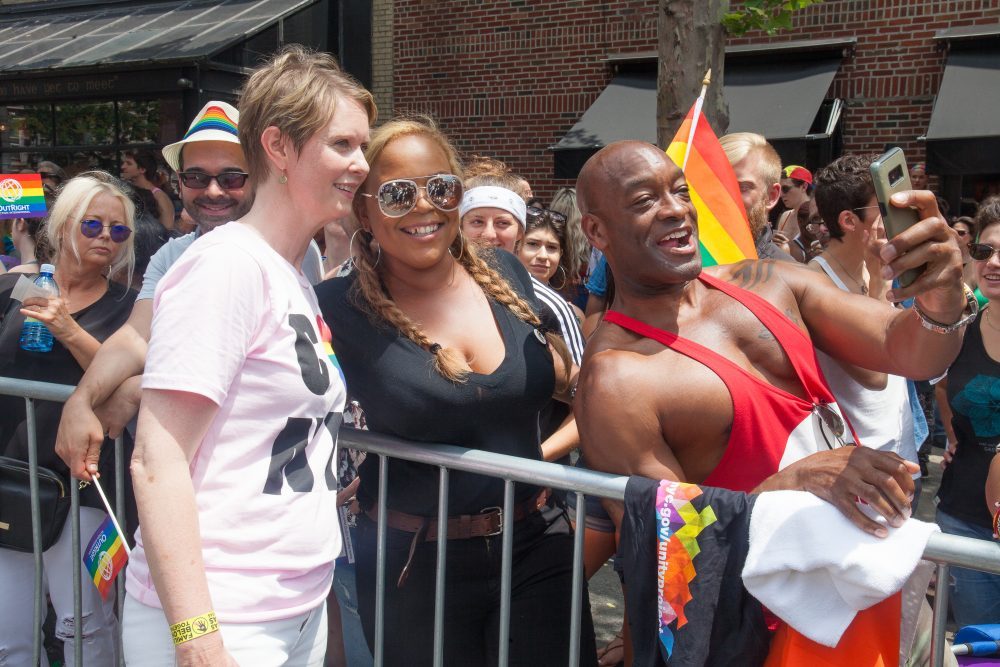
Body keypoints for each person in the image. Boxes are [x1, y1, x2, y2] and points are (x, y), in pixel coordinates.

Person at [573, 141, 970, 661]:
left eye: (680, 191)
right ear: (597, 231)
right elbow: (668, 558)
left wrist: (941, 294)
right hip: (767, 633)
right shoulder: (615, 379)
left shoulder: (765, 280)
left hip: (870, 583)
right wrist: (790, 484)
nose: (675, 209)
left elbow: (907, 349)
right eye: (645, 200)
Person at [121, 46, 374, 665]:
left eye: (362, 147)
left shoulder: (286, 271)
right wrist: (196, 635)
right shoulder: (226, 267)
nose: (361, 164)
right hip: (225, 616)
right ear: (279, 147)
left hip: (293, 605)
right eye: (343, 144)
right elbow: (156, 460)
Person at [315, 116, 597, 666]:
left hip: (538, 541)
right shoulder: (336, 309)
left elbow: (569, 381)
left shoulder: (505, 272)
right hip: (412, 564)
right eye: (397, 194)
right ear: (365, 212)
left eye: (440, 188)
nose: (424, 206)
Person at [54, 99, 254, 482]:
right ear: (179, 182)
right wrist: (82, 399)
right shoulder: (171, 256)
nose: (213, 190)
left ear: (256, 177)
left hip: (249, 471)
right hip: (176, 466)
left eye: (231, 177)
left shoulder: (286, 253)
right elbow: (135, 336)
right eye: (196, 177)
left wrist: (139, 389)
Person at [0, 171, 137, 667]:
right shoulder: (15, 289)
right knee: (9, 630)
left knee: (83, 625)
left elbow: (123, 381)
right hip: (12, 480)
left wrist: (67, 328)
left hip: (86, 486)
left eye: (118, 230)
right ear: (62, 226)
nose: (106, 237)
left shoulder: (130, 307)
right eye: (92, 224)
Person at [809, 154, 920, 491]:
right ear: (848, 220)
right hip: (859, 474)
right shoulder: (814, 285)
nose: (898, 218)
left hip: (904, 455)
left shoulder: (884, 267)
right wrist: (880, 280)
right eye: (884, 209)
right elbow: (876, 375)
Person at [934, 195, 1000, 627]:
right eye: (985, 250)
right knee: (980, 647)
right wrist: (955, 435)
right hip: (965, 522)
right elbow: (941, 385)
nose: (993, 262)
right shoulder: (960, 328)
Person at [460, 173, 586, 366]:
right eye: (477, 221)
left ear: (520, 231)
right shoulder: (435, 291)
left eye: (502, 223)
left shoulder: (549, 306)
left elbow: (579, 379)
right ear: (461, 227)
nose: (489, 234)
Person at [719, 132, 795, 262]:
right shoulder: (688, 261)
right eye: (716, 185)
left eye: (742, 187)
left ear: (771, 196)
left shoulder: (787, 272)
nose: (725, 197)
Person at [121, 149, 175, 230]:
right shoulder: (127, 191)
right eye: (124, 163)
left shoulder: (159, 196)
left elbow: (167, 229)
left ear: (142, 169)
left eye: (129, 164)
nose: (123, 167)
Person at [775, 164, 814, 238]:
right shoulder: (785, 216)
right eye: (780, 189)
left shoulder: (816, 216)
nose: (780, 195)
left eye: (785, 189)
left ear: (804, 187)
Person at [788, 198, 830, 263]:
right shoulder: (794, 249)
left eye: (817, 220)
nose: (810, 228)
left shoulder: (826, 239)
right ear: (800, 223)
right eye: (814, 220)